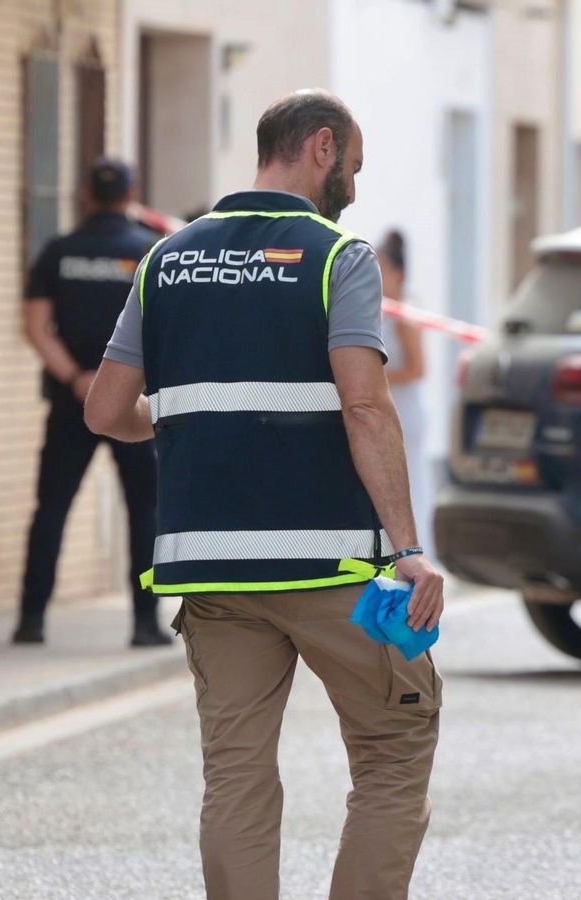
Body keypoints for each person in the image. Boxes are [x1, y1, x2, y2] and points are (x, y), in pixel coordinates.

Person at [84, 89, 445, 900]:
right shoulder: (337, 256)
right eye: (351, 166)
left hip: (208, 571)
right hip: (332, 565)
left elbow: (106, 411)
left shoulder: (166, 259)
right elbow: (365, 406)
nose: (351, 183)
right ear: (320, 147)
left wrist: (183, 421)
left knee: (237, 776)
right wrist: (411, 552)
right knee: (396, 743)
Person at [15, 158, 168, 647]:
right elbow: (162, 332)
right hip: (134, 403)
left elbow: (36, 328)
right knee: (143, 509)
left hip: (70, 400)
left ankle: (31, 620)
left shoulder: (59, 253)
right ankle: (145, 622)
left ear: (85, 194)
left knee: (52, 508)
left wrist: (78, 378)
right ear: (133, 193)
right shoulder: (149, 253)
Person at [378, 229, 432, 556]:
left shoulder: (407, 315)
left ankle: (417, 548)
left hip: (405, 413)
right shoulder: (378, 312)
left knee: (409, 484)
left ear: (397, 274)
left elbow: (418, 368)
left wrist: (376, 375)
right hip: (387, 408)